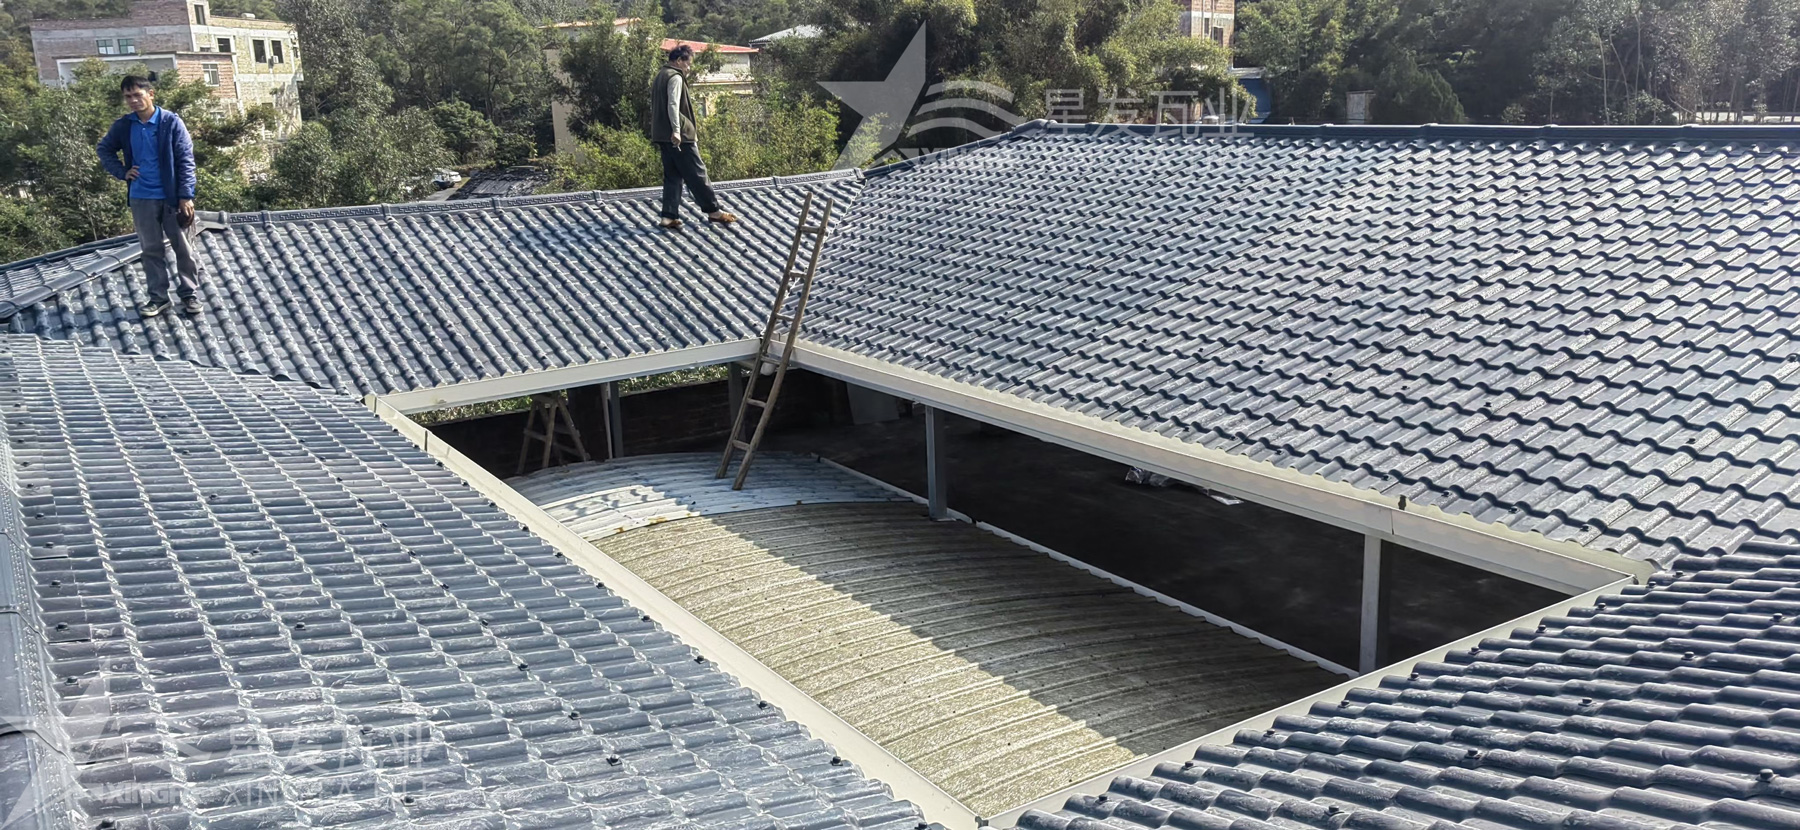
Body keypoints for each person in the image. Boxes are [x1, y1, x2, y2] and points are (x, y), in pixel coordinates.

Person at [97, 73, 201, 318]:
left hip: (172, 198)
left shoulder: (170, 122)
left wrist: (186, 196)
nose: (133, 100)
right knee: (151, 250)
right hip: (141, 196)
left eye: (137, 95)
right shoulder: (125, 125)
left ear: (150, 94)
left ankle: (189, 294)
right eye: (128, 97)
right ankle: (158, 298)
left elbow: (186, 160)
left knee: (184, 247)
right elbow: (104, 149)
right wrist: (123, 172)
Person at [650, 44, 736, 229]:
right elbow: (673, 104)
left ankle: (668, 216)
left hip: (661, 135)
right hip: (679, 135)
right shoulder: (675, 77)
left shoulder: (660, 75)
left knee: (673, 176)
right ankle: (713, 211)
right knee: (698, 172)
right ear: (678, 61)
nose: (688, 68)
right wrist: (677, 130)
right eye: (687, 64)